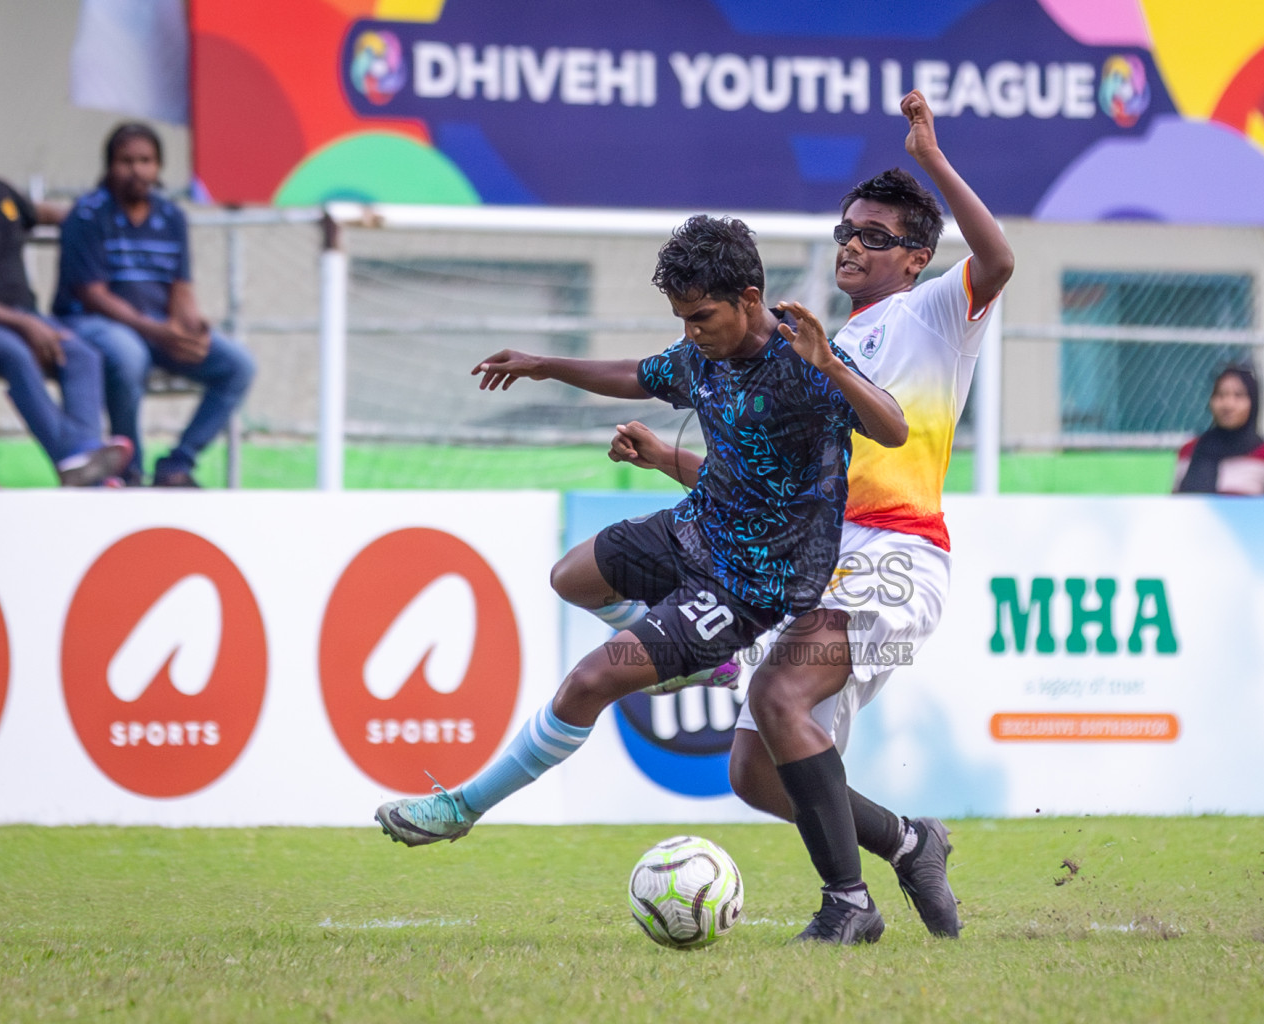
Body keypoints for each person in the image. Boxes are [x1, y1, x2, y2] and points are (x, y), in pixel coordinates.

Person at [373, 217, 909, 931]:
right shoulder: (702, 355)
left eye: (700, 317)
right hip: (695, 531)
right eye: (681, 319)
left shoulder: (803, 360)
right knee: (573, 577)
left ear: (749, 297)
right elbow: (640, 374)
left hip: (749, 587)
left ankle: (461, 808)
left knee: (594, 680)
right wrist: (548, 365)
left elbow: (894, 428)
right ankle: (683, 665)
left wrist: (833, 365)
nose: (690, 333)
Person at [617, 90, 1015, 945]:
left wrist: (933, 161)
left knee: (778, 692)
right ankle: (911, 842)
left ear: (916, 259)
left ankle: (848, 906)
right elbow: (773, 485)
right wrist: (671, 460)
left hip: (896, 554)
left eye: (874, 236)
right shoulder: (822, 345)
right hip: (821, 560)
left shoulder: (937, 315)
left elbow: (999, 257)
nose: (852, 245)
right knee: (756, 773)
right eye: (845, 231)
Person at [53, 122, 255, 487]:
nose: (137, 170)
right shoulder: (88, 214)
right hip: (91, 324)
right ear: (109, 165)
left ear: (158, 166)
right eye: (126, 161)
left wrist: (190, 326)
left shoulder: (171, 216)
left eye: (146, 161)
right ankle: (130, 469)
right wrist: (158, 331)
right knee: (129, 356)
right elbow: (92, 294)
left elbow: (180, 285)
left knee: (237, 365)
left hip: (156, 328)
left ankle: (177, 465)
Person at [0, 176, 131, 486]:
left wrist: (95, 218)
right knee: (17, 355)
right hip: (7, 323)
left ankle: (85, 459)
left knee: (81, 354)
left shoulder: (0, 192)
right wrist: (26, 325)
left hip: (22, 316)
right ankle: (77, 459)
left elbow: (47, 214)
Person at [1173, 364, 1264, 496]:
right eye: (1220, 395)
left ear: (1253, 402)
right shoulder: (1190, 450)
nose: (1228, 404)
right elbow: (1177, 507)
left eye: (1238, 396)